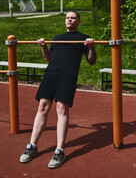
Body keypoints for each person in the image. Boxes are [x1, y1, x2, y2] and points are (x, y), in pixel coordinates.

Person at [20, 10, 96, 169]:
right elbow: (50, 59)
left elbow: (91, 62)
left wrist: (91, 48)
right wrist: (44, 47)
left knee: (61, 109)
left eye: (73, 17)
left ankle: (60, 150)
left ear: (78, 21)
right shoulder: (57, 38)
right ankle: (32, 146)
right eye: (67, 17)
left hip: (68, 75)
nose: (69, 19)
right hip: (51, 73)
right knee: (42, 107)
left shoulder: (83, 38)